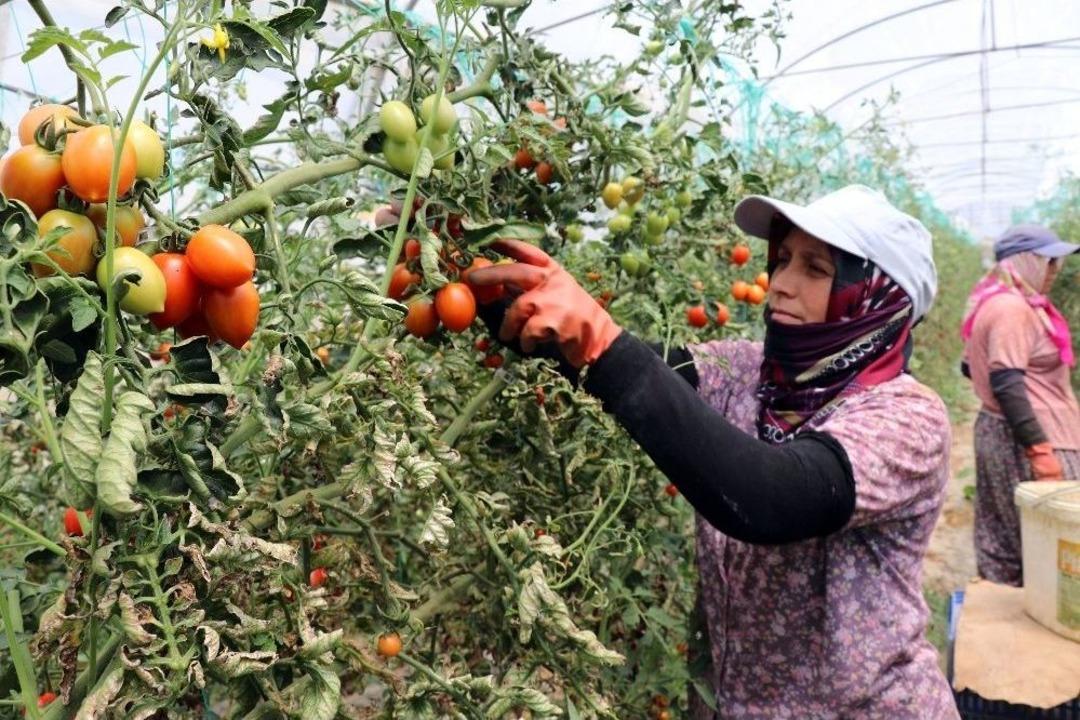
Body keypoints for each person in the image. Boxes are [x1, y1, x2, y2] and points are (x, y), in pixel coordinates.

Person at [469, 184, 959, 719]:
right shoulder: (746, 371)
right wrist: (475, 282)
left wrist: (602, 342)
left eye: (816, 270)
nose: (781, 286)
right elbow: (621, 374)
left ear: (875, 296)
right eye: (784, 260)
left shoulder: (908, 418)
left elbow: (768, 496)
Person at [960, 225, 1080, 586]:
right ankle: (1040, 620)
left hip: (1004, 433)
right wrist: (1039, 449)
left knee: (1008, 533)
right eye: (1049, 262)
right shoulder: (1012, 309)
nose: (1054, 272)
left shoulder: (997, 301)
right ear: (1026, 261)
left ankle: (1007, 614)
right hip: (1031, 440)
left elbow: (970, 366)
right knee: (1052, 538)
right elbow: (1007, 382)